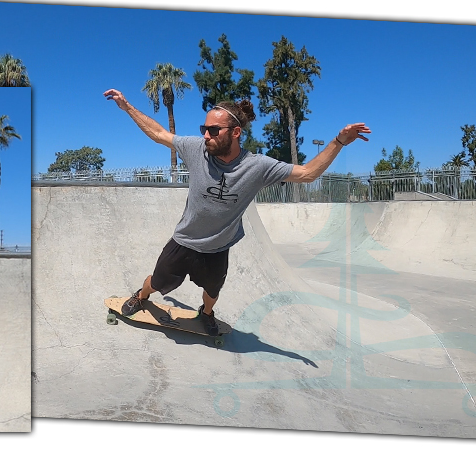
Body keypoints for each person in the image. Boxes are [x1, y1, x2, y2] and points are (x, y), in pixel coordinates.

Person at [103, 88, 370, 335]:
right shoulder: (196, 149)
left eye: (213, 130)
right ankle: (141, 295)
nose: (206, 135)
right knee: (158, 280)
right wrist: (128, 108)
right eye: (203, 129)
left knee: (213, 290)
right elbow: (160, 134)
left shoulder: (258, 167)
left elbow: (308, 174)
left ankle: (206, 313)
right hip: (184, 240)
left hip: (218, 246)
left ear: (235, 133)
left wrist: (338, 142)